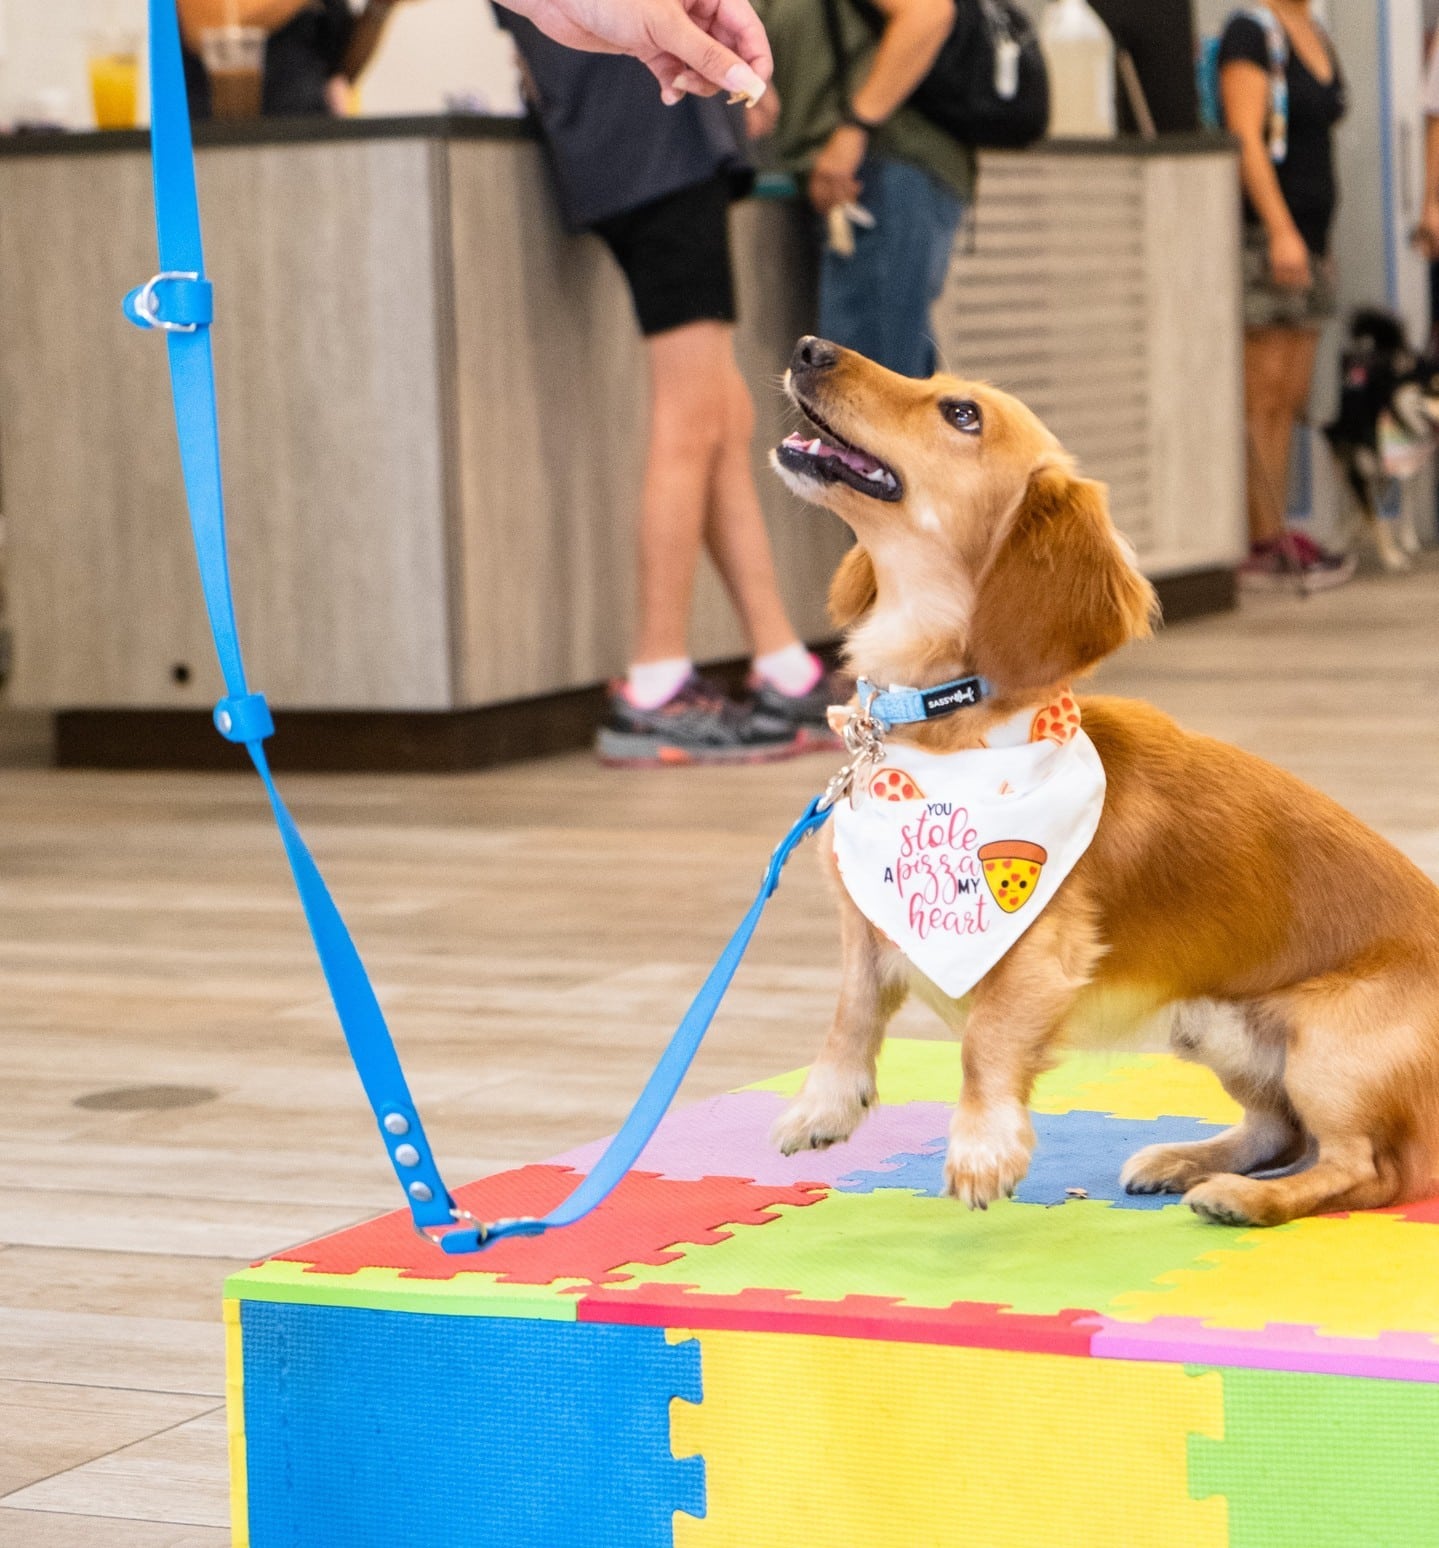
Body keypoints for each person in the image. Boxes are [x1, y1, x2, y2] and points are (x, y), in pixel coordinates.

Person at [503, 17, 839, 764]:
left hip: (639, 145)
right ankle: (655, 681)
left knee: (722, 411)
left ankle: (781, 662)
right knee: (693, 417)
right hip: (651, 150)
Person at [754, 0, 971, 379]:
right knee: (890, 375)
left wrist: (855, 129)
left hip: (885, 170)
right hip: (872, 176)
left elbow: (928, 13)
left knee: (865, 387)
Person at [1219, 1, 1354, 588]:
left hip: (1312, 239)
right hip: (1268, 236)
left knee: (1292, 392)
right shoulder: (1250, 32)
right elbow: (1246, 136)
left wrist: (1313, 240)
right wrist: (1279, 228)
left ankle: (1276, 531)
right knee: (1263, 393)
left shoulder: (1316, 31)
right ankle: (1259, 539)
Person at [177, 0, 405, 117]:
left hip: (308, 137)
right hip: (216, 147)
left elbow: (343, 70)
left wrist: (379, 8)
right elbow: (200, 25)